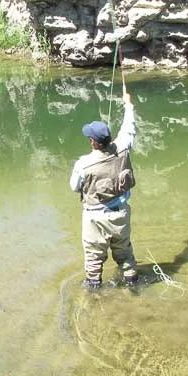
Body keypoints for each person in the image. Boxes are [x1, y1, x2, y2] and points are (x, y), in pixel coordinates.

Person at [69, 90, 138, 290]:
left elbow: (74, 187)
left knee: (93, 259)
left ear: (93, 141)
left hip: (95, 218)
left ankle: (93, 296)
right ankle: (133, 287)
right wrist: (128, 104)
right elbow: (129, 128)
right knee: (125, 253)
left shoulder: (83, 164)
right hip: (121, 214)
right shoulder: (123, 147)